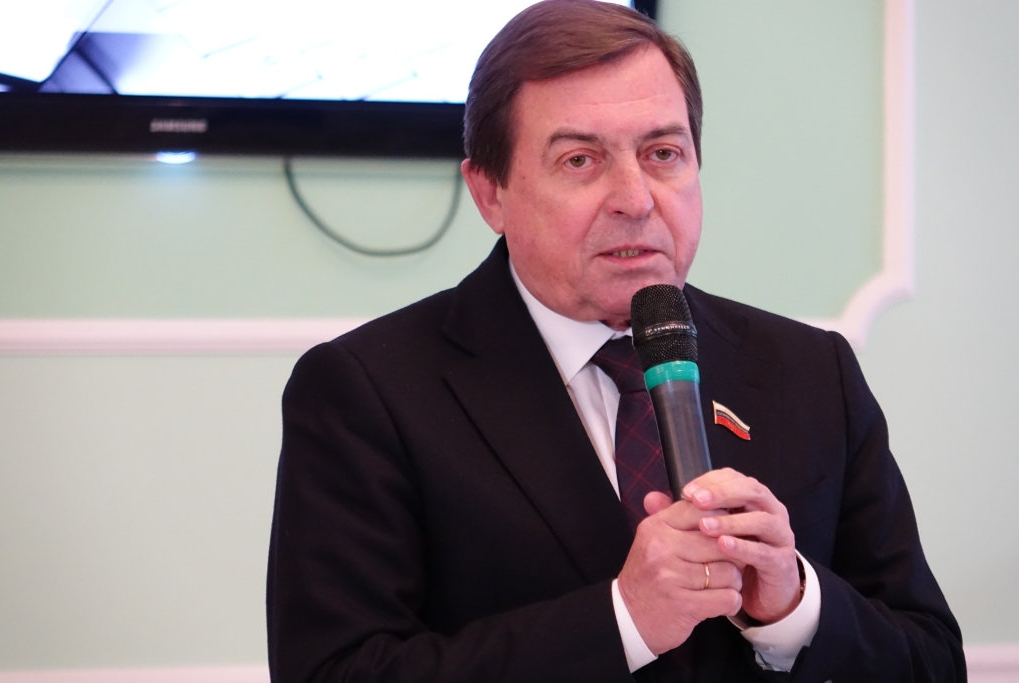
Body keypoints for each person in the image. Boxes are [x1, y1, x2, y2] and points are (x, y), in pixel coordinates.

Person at [266, 2, 964, 681]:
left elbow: (932, 659)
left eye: (663, 153)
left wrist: (794, 606)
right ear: (490, 194)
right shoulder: (367, 390)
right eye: (580, 160)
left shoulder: (810, 371)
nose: (636, 197)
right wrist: (624, 620)